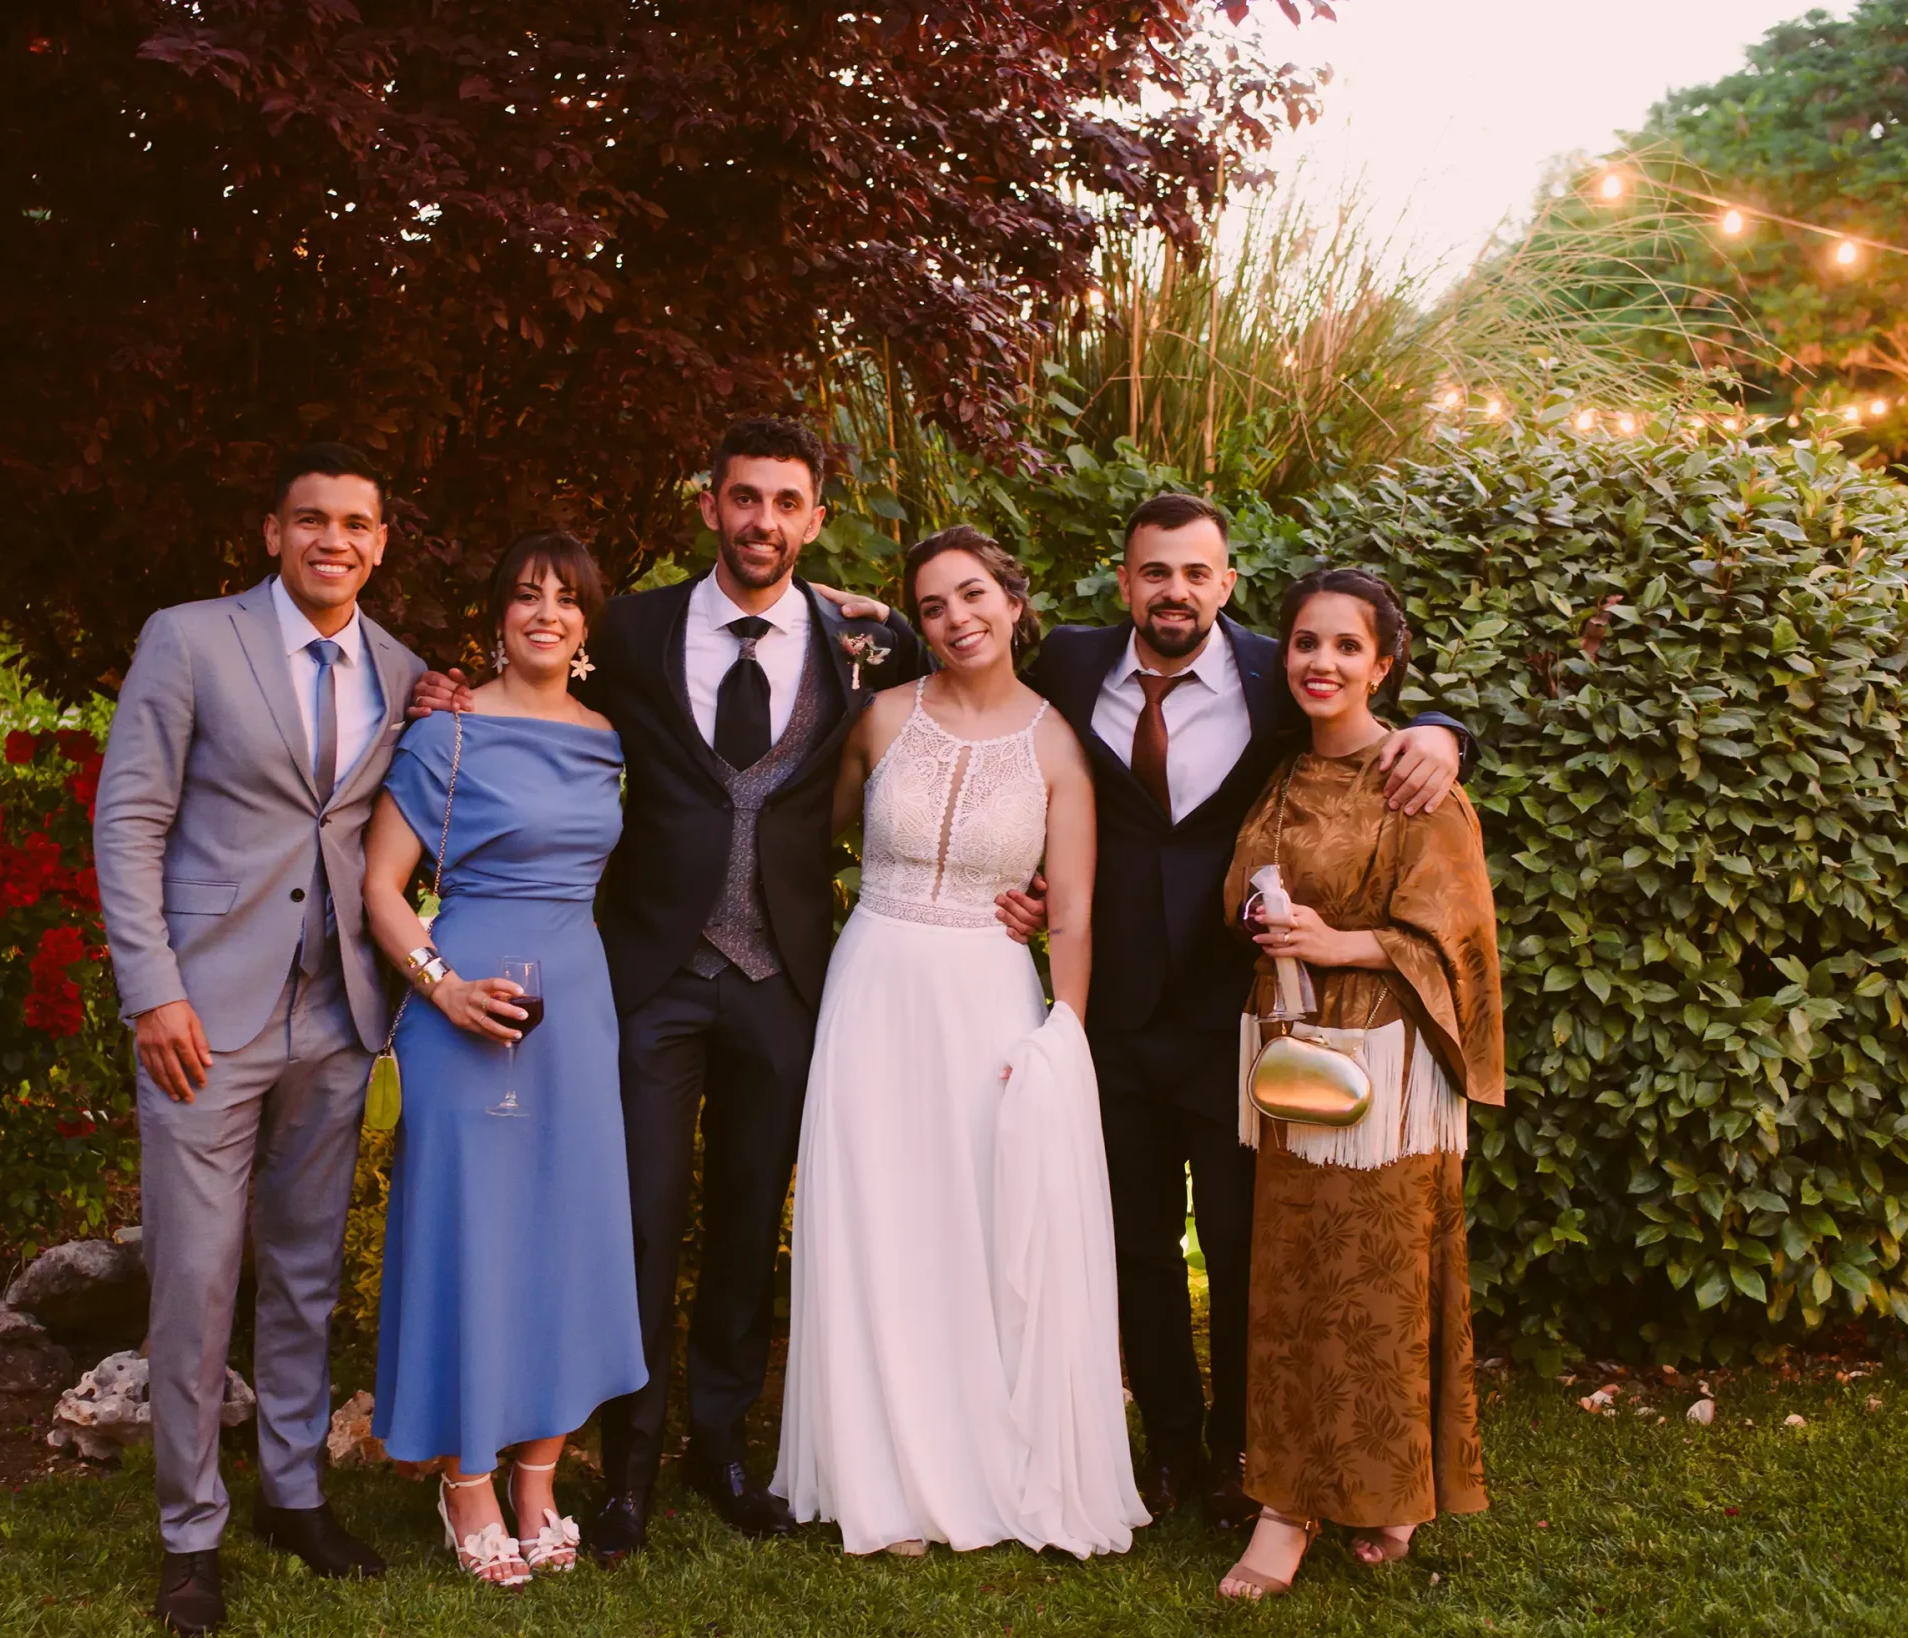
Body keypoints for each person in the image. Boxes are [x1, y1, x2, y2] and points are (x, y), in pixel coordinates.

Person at [411, 417, 930, 1564]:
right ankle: (626, 1467)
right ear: (710, 505)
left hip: (782, 975)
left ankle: (721, 1447)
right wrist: (440, 687)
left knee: (746, 1218)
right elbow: (534, 678)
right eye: (744, 497)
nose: (762, 521)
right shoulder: (633, 628)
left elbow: (962, 723)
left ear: (814, 518)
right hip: (647, 975)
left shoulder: (868, 642)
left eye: (786, 502)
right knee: (636, 1222)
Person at [1008, 493, 1471, 1529]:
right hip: (1113, 1009)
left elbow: (1375, 714)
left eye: (1195, 573)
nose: (1174, 591)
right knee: (1134, 1243)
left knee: (1240, 1243)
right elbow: (973, 693)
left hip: (1240, 1013)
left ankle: (1241, 1450)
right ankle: (1170, 1446)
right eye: (1154, 572)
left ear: (1226, 582)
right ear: (1124, 581)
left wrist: (1449, 733)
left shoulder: (1279, 670)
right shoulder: (1070, 665)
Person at [94, 443, 423, 1637]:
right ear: (272, 533)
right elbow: (129, 816)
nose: (334, 539)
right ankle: (190, 1532)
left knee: (304, 1267)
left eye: (356, 523)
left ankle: (293, 1492)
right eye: (312, 519)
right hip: (204, 1014)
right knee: (194, 1276)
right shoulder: (190, 639)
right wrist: (152, 990)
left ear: (379, 543)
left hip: (336, 1011)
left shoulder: (403, 670)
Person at [772, 527, 1149, 1558]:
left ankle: (972, 1457)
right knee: (875, 1212)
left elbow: (1072, 909)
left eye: (973, 593)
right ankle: (877, 1470)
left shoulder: (1058, 744)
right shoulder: (879, 718)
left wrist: (1065, 1030)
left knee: (971, 1217)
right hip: (873, 984)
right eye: (933, 604)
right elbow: (809, 837)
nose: (956, 617)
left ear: (1013, 602)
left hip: (988, 994)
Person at [359, 532, 646, 1587]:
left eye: (566, 598)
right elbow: (382, 884)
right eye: (526, 594)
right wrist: (442, 985)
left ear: (586, 625)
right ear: (497, 616)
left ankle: (537, 1472)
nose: (546, 612)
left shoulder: (608, 739)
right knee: (468, 1231)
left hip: (576, 1004)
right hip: (463, 1001)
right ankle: (466, 1478)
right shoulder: (446, 734)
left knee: (565, 1233)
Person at [1214, 567, 1504, 1598]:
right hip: (1294, 1062)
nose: (1322, 662)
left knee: (1377, 1287)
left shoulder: (1417, 779)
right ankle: (1285, 1504)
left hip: (1385, 1073)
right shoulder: (1285, 772)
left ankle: (1386, 1488)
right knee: (1291, 1285)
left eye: (1346, 645)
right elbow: (1240, 887)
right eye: (1305, 642)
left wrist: (1340, 942)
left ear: (1383, 665)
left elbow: (1460, 934)